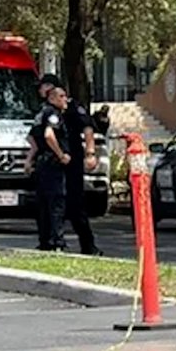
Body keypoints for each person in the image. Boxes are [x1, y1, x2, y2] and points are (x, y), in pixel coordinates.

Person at [27, 85, 72, 251]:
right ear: (52, 98)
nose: (65, 99)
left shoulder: (40, 114)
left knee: (43, 204)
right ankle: (57, 241)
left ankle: (44, 241)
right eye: (61, 96)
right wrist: (61, 154)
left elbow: (31, 138)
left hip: (41, 163)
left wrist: (29, 160)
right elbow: (48, 135)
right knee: (56, 203)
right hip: (52, 164)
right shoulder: (53, 114)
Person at [61, 82, 102, 256]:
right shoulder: (46, 110)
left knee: (76, 205)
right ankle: (53, 243)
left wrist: (90, 153)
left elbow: (87, 128)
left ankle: (88, 245)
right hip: (52, 165)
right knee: (53, 206)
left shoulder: (73, 108)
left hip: (72, 161)